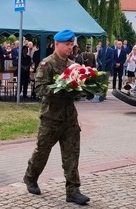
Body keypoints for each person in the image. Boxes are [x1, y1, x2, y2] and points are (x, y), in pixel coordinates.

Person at [23, 29, 90, 206]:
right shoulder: (47, 64)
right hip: (51, 117)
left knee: (72, 154)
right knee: (42, 151)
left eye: (71, 45)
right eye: (67, 44)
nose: (70, 48)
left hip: (69, 118)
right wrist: (62, 87)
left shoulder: (73, 65)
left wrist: (82, 89)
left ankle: (73, 191)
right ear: (57, 44)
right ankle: (31, 177)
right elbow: (39, 89)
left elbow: (76, 90)